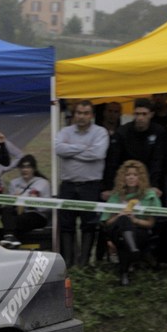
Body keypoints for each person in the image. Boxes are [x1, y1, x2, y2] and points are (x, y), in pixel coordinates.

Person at [55, 100, 109, 267]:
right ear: (74, 114)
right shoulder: (65, 131)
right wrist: (84, 148)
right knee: (66, 225)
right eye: (79, 113)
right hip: (68, 185)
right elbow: (59, 149)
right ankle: (68, 263)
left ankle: (84, 263)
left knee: (89, 225)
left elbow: (98, 154)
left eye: (86, 113)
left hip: (90, 186)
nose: (82, 116)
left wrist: (71, 149)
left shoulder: (100, 132)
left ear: (91, 115)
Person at [102, 159, 160, 286]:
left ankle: (124, 274)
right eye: (128, 175)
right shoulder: (116, 196)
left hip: (139, 231)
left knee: (123, 241)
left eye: (135, 175)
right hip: (116, 230)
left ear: (141, 177)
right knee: (123, 219)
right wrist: (119, 216)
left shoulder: (149, 195)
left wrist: (135, 220)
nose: (131, 178)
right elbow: (107, 222)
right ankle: (133, 250)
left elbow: (150, 223)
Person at [105, 98, 167, 197]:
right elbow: (113, 161)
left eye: (144, 114)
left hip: (149, 181)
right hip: (125, 181)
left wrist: (154, 185)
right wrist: (109, 187)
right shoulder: (122, 132)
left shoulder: (159, 132)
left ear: (151, 114)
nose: (140, 118)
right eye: (137, 114)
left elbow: (158, 161)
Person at [0, 155, 51, 248]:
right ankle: (10, 238)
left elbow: (47, 208)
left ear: (34, 169)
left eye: (28, 167)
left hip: (36, 214)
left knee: (13, 222)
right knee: (6, 211)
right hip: (18, 213)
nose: (25, 170)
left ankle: (9, 237)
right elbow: (9, 204)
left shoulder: (43, 183)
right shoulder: (14, 183)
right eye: (22, 167)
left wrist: (33, 202)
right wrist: (14, 200)